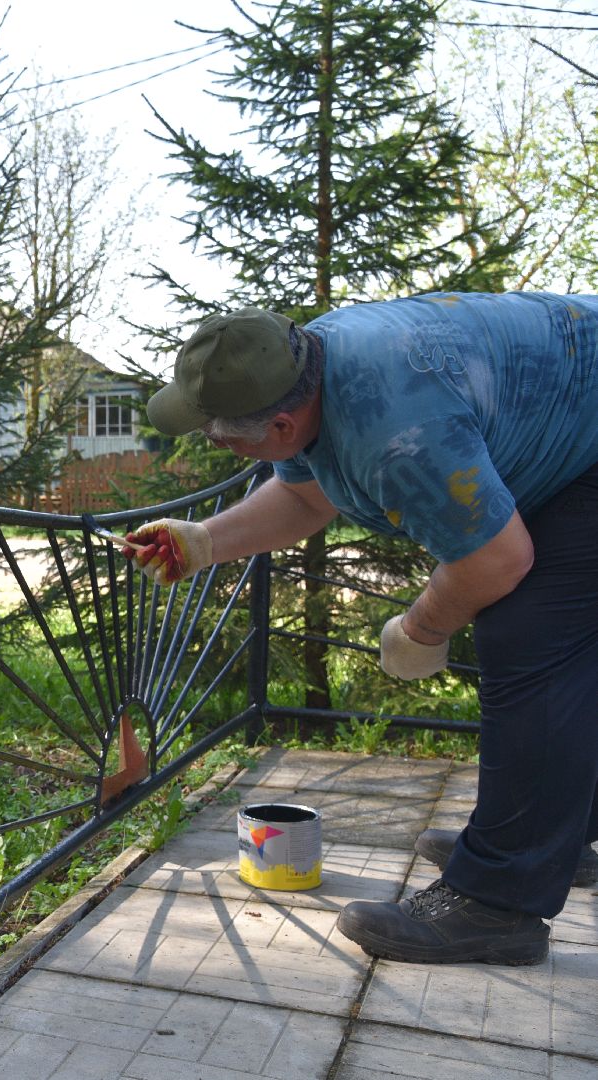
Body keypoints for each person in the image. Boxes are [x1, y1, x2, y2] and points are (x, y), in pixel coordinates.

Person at [125, 294, 598, 966]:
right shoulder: (304, 365)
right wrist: (203, 541)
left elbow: (496, 562)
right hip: (577, 426)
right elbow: (304, 495)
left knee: (528, 640)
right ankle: (550, 835)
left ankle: (498, 903)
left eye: (217, 433)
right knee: (549, 641)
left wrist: (420, 630)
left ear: (281, 424)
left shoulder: (400, 433)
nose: (211, 441)